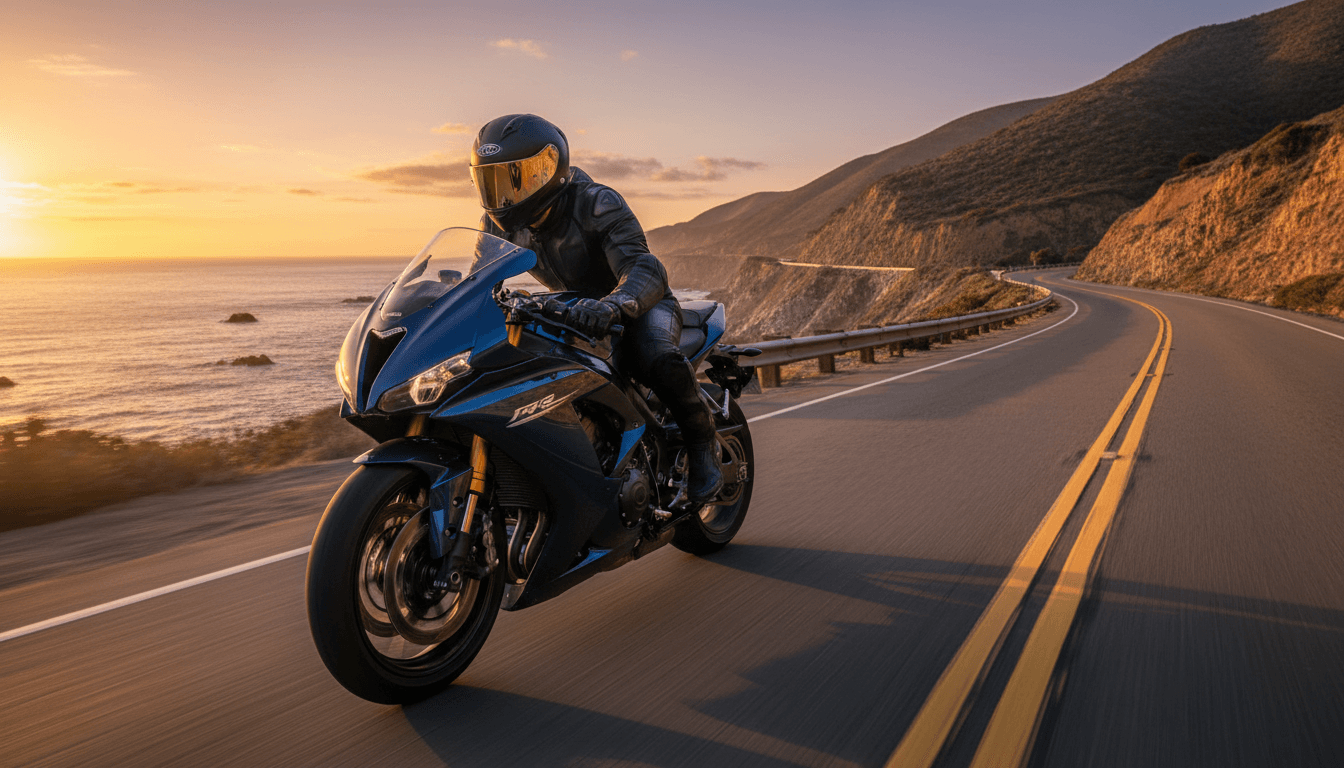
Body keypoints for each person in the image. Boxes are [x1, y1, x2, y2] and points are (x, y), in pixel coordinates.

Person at [469, 113, 722, 503]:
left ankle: (702, 444)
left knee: (655, 357)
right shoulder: (498, 225)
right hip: (573, 310)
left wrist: (615, 305)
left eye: (518, 177)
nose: (505, 194)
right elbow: (478, 282)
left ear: (553, 168)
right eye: (494, 181)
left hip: (639, 302)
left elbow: (644, 266)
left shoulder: (596, 203)